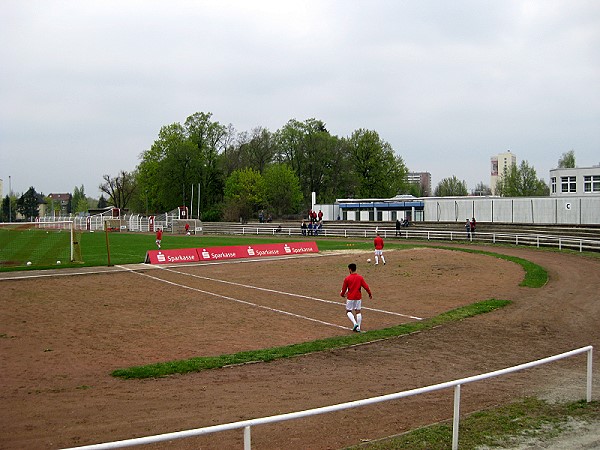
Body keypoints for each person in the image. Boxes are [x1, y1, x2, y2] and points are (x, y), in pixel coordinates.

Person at [340, 263, 372, 332]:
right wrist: (369, 293)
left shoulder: (347, 278)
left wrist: (342, 294)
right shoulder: (360, 277)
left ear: (350, 269)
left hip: (350, 297)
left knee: (348, 311)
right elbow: (366, 286)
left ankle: (355, 324)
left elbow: (344, 289)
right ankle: (358, 327)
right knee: (358, 311)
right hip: (358, 297)